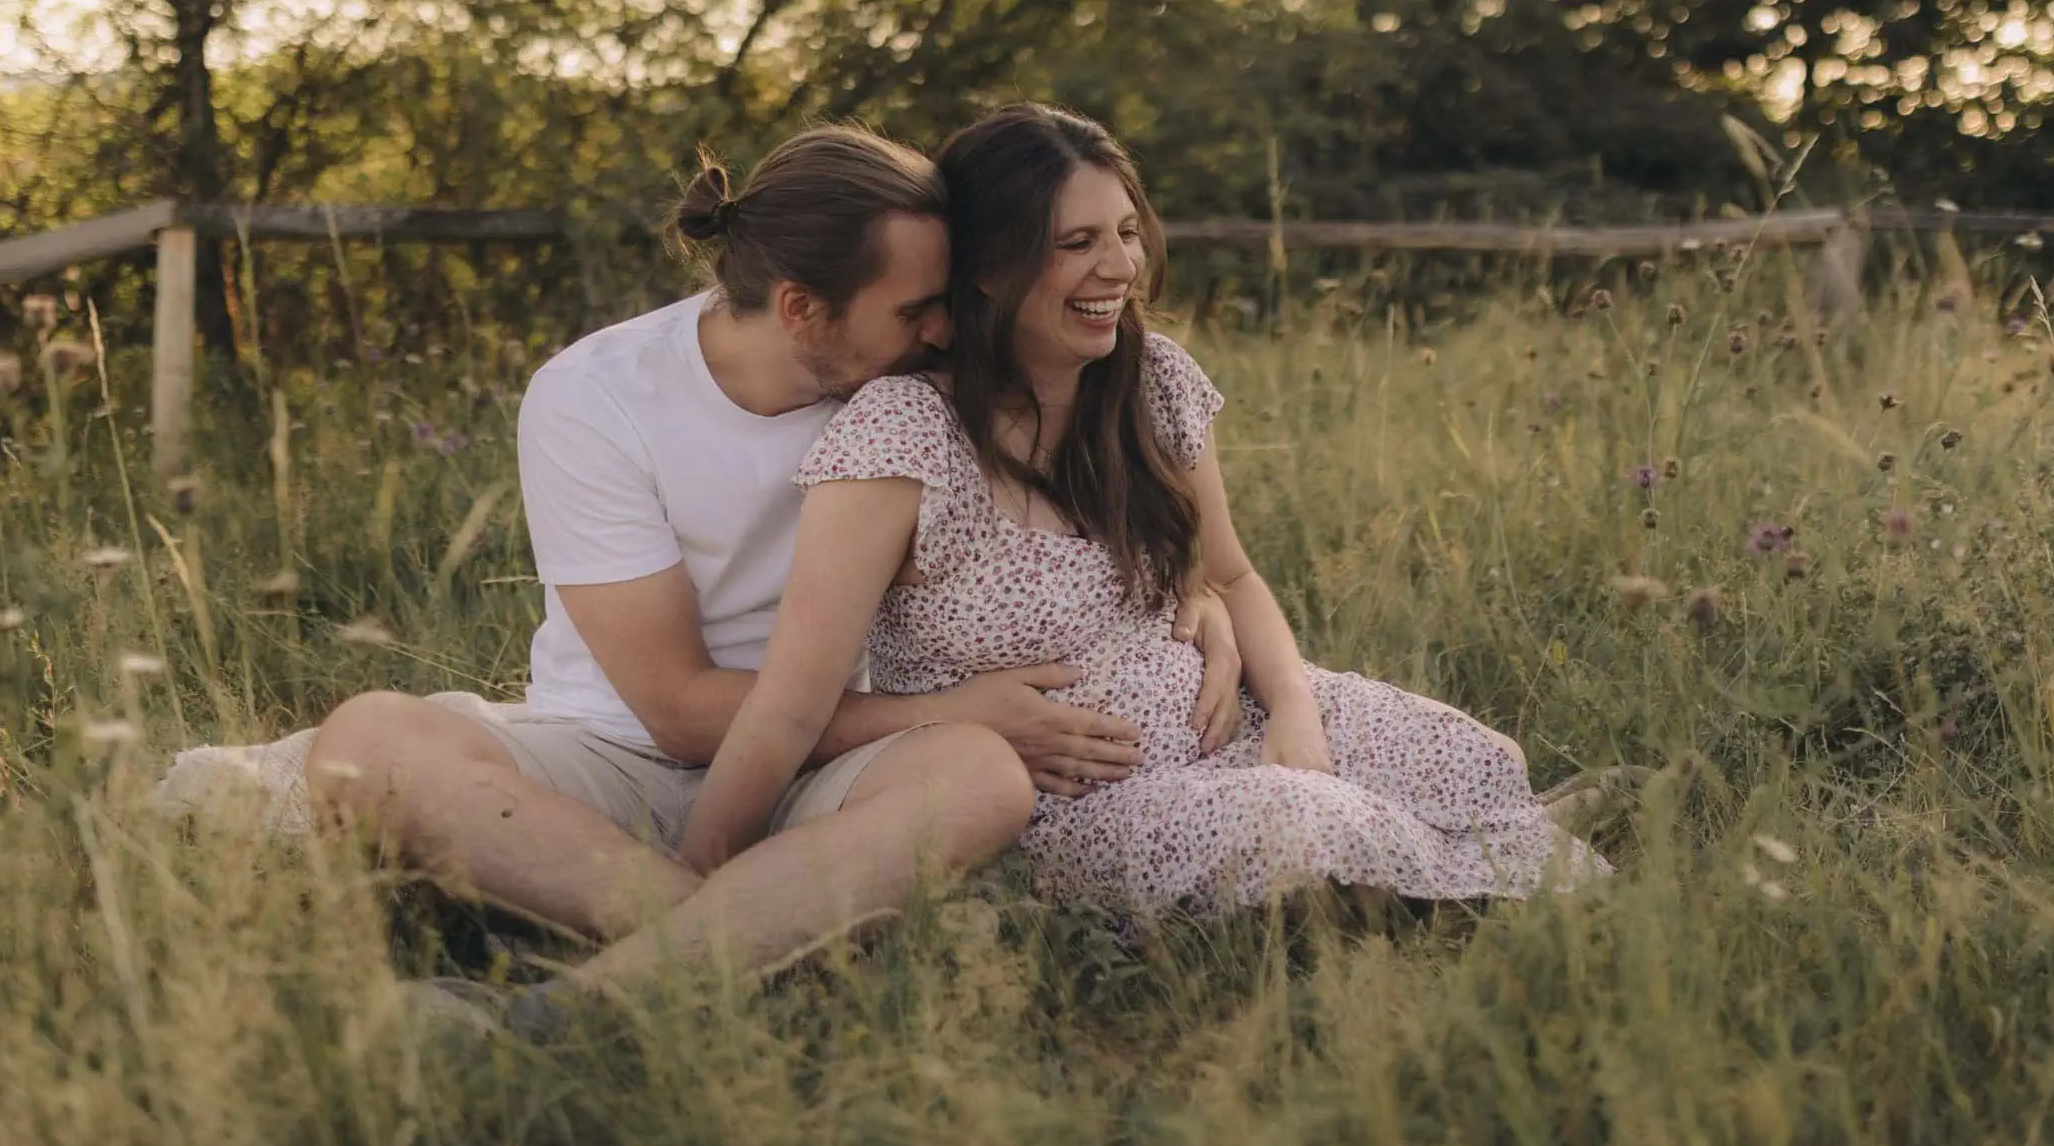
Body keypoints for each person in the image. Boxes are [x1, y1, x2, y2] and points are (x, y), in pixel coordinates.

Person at [304, 123, 1243, 995]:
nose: (945, 332)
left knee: (981, 779)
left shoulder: (924, 388)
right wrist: (946, 707)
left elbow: (1108, 502)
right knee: (369, 743)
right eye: (917, 309)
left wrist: (1202, 595)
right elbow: (672, 708)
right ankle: (734, 941)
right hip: (610, 756)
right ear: (802, 308)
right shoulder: (595, 395)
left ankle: (605, 973)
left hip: (845, 768)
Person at [682, 105, 1606, 912]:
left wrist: (1291, 709)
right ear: (993, 269)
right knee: (1309, 823)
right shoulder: (903, 433)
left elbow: (1230, 572)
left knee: (1474, 754)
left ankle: (1468, 858)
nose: (1119, 265)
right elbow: (790, 707)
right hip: (1075, 795)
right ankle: (1459, 883)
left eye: (1126, 231)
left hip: (1227, 715)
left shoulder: (1152, 382)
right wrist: (692, 882)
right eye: (1077, 243)